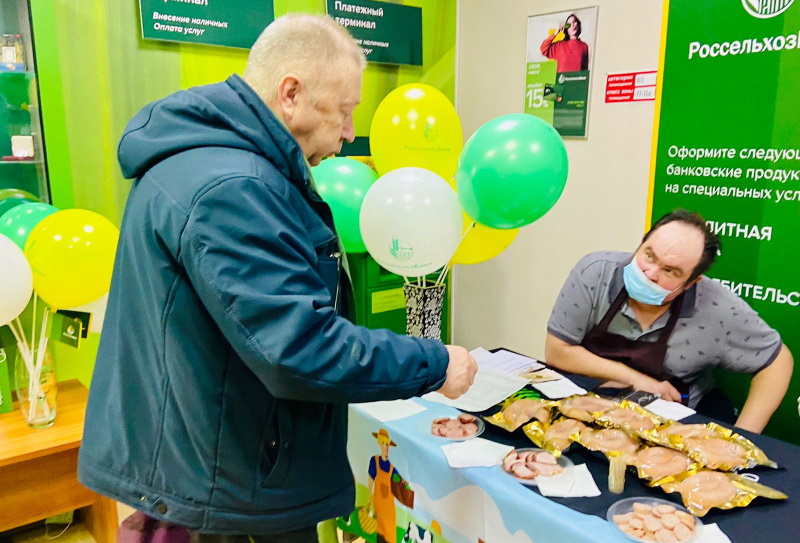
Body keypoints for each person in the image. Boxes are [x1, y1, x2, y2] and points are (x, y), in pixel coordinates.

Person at [77, 13, 478, 543]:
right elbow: (299, 347)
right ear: (291, 94)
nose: (349, 132)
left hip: (210, 458)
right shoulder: (233, 187)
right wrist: (434, 362)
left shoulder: (203, 159)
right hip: (228, 485)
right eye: (344, 111)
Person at [545, 210, 793, 433]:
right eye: (649, 256)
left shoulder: (717, 307)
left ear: (691, 282)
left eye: (670, 271)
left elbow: (778, 361)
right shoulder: (595, 273)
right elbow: (558, 351)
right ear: (642, 242)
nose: (650, 274)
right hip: (591, 404)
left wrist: (744, 436)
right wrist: (640, 381)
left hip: (673, 423)